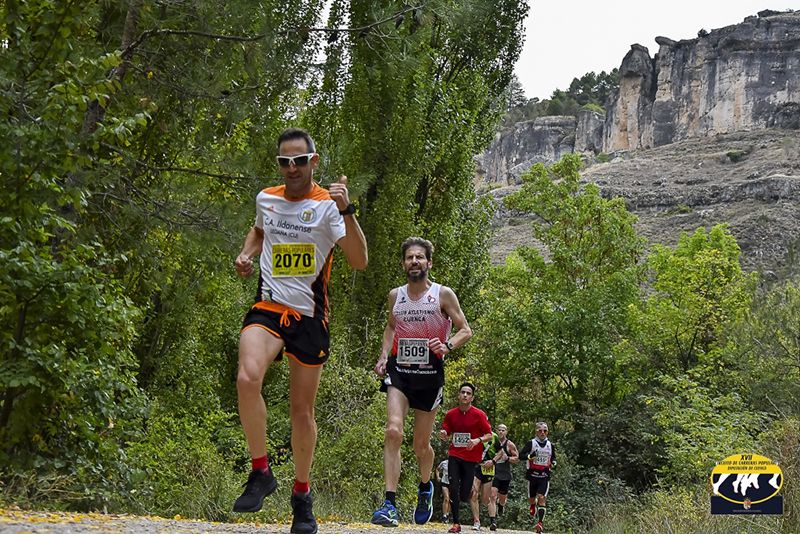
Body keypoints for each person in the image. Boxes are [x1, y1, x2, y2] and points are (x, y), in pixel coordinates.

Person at [232, 127, 368, 534]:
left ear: (314, 161)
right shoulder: (266, 198)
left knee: (300, 411)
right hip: (268, 307)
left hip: (310, 316)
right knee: (246, 378)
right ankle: (261, 471)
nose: (291, 168)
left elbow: (359, 261)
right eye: (284, 162)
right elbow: (259, 230)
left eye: (299, 161)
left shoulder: (328, 206)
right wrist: (246, 253)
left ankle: (302, 494)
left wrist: (347, 211)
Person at [371, 237, 473, 527]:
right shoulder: (395, 296)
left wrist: (447, 346)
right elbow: (391, 327)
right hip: (399, 372)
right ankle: (389, 504)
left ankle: (426, 486)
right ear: (404, 263)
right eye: (409, 258)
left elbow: (466, 330)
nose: (414, 262)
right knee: (393, 431)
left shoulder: (443, 295)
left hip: (429, 376)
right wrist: (382, 357)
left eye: (419, 257)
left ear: (429, 262)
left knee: (421, 445)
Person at [438, 383, 492, 534]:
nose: (465, 395)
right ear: (458, 395)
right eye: (463, 392)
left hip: (471, 458)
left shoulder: (479, 415)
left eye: (468, 393)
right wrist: (443, 433)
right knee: (453, 487)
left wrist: (477, 441)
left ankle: (463, 497)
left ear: (472, 398)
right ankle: (456, 523)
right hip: (454, 455)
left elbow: (489, 435)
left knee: (464, 493)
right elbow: (447, 430)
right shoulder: (451, 414)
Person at [518, 422, 556, 534]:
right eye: (540, 430)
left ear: (547, 432)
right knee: (531, 498)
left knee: (542, 497)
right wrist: (530, 456)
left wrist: (554, 462)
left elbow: (553, 458)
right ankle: (532, 505)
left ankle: (540, 523)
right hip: (532, 475)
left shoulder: (550, 445)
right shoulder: (531, 443)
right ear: (536, 432)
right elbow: (521, 456)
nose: (543, 432)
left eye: (545, 430)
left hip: (544, 475)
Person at [469, 430, 501, 530]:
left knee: (485, 499)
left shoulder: (494, 436)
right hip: (475, 467)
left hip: (488, 468)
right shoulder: (472, 434)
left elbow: (501, 452)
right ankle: (476, 521)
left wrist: (493, 461)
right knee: (473, 493)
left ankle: (493, 521)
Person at [491, 424, 519, 519]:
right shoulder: (492, 442)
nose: (501, 432)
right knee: (493, 496)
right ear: (496, 431)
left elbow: (517, 458)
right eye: (499, 430)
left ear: (506, 432)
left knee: (502, 498)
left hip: (505, 475)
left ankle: (501, 505)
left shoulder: (509, 444)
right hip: (494, 473)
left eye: (503, 430)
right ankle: (493, 519)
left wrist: (508, 458)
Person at [436, 458, 451, 523]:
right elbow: (437, 469)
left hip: (453, 483)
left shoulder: (458, 463)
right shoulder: (444, 462)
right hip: (444, 482)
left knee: (450, 500)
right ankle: (444, 516)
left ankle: (447, 514)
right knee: (446, 498)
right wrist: (438, 477)